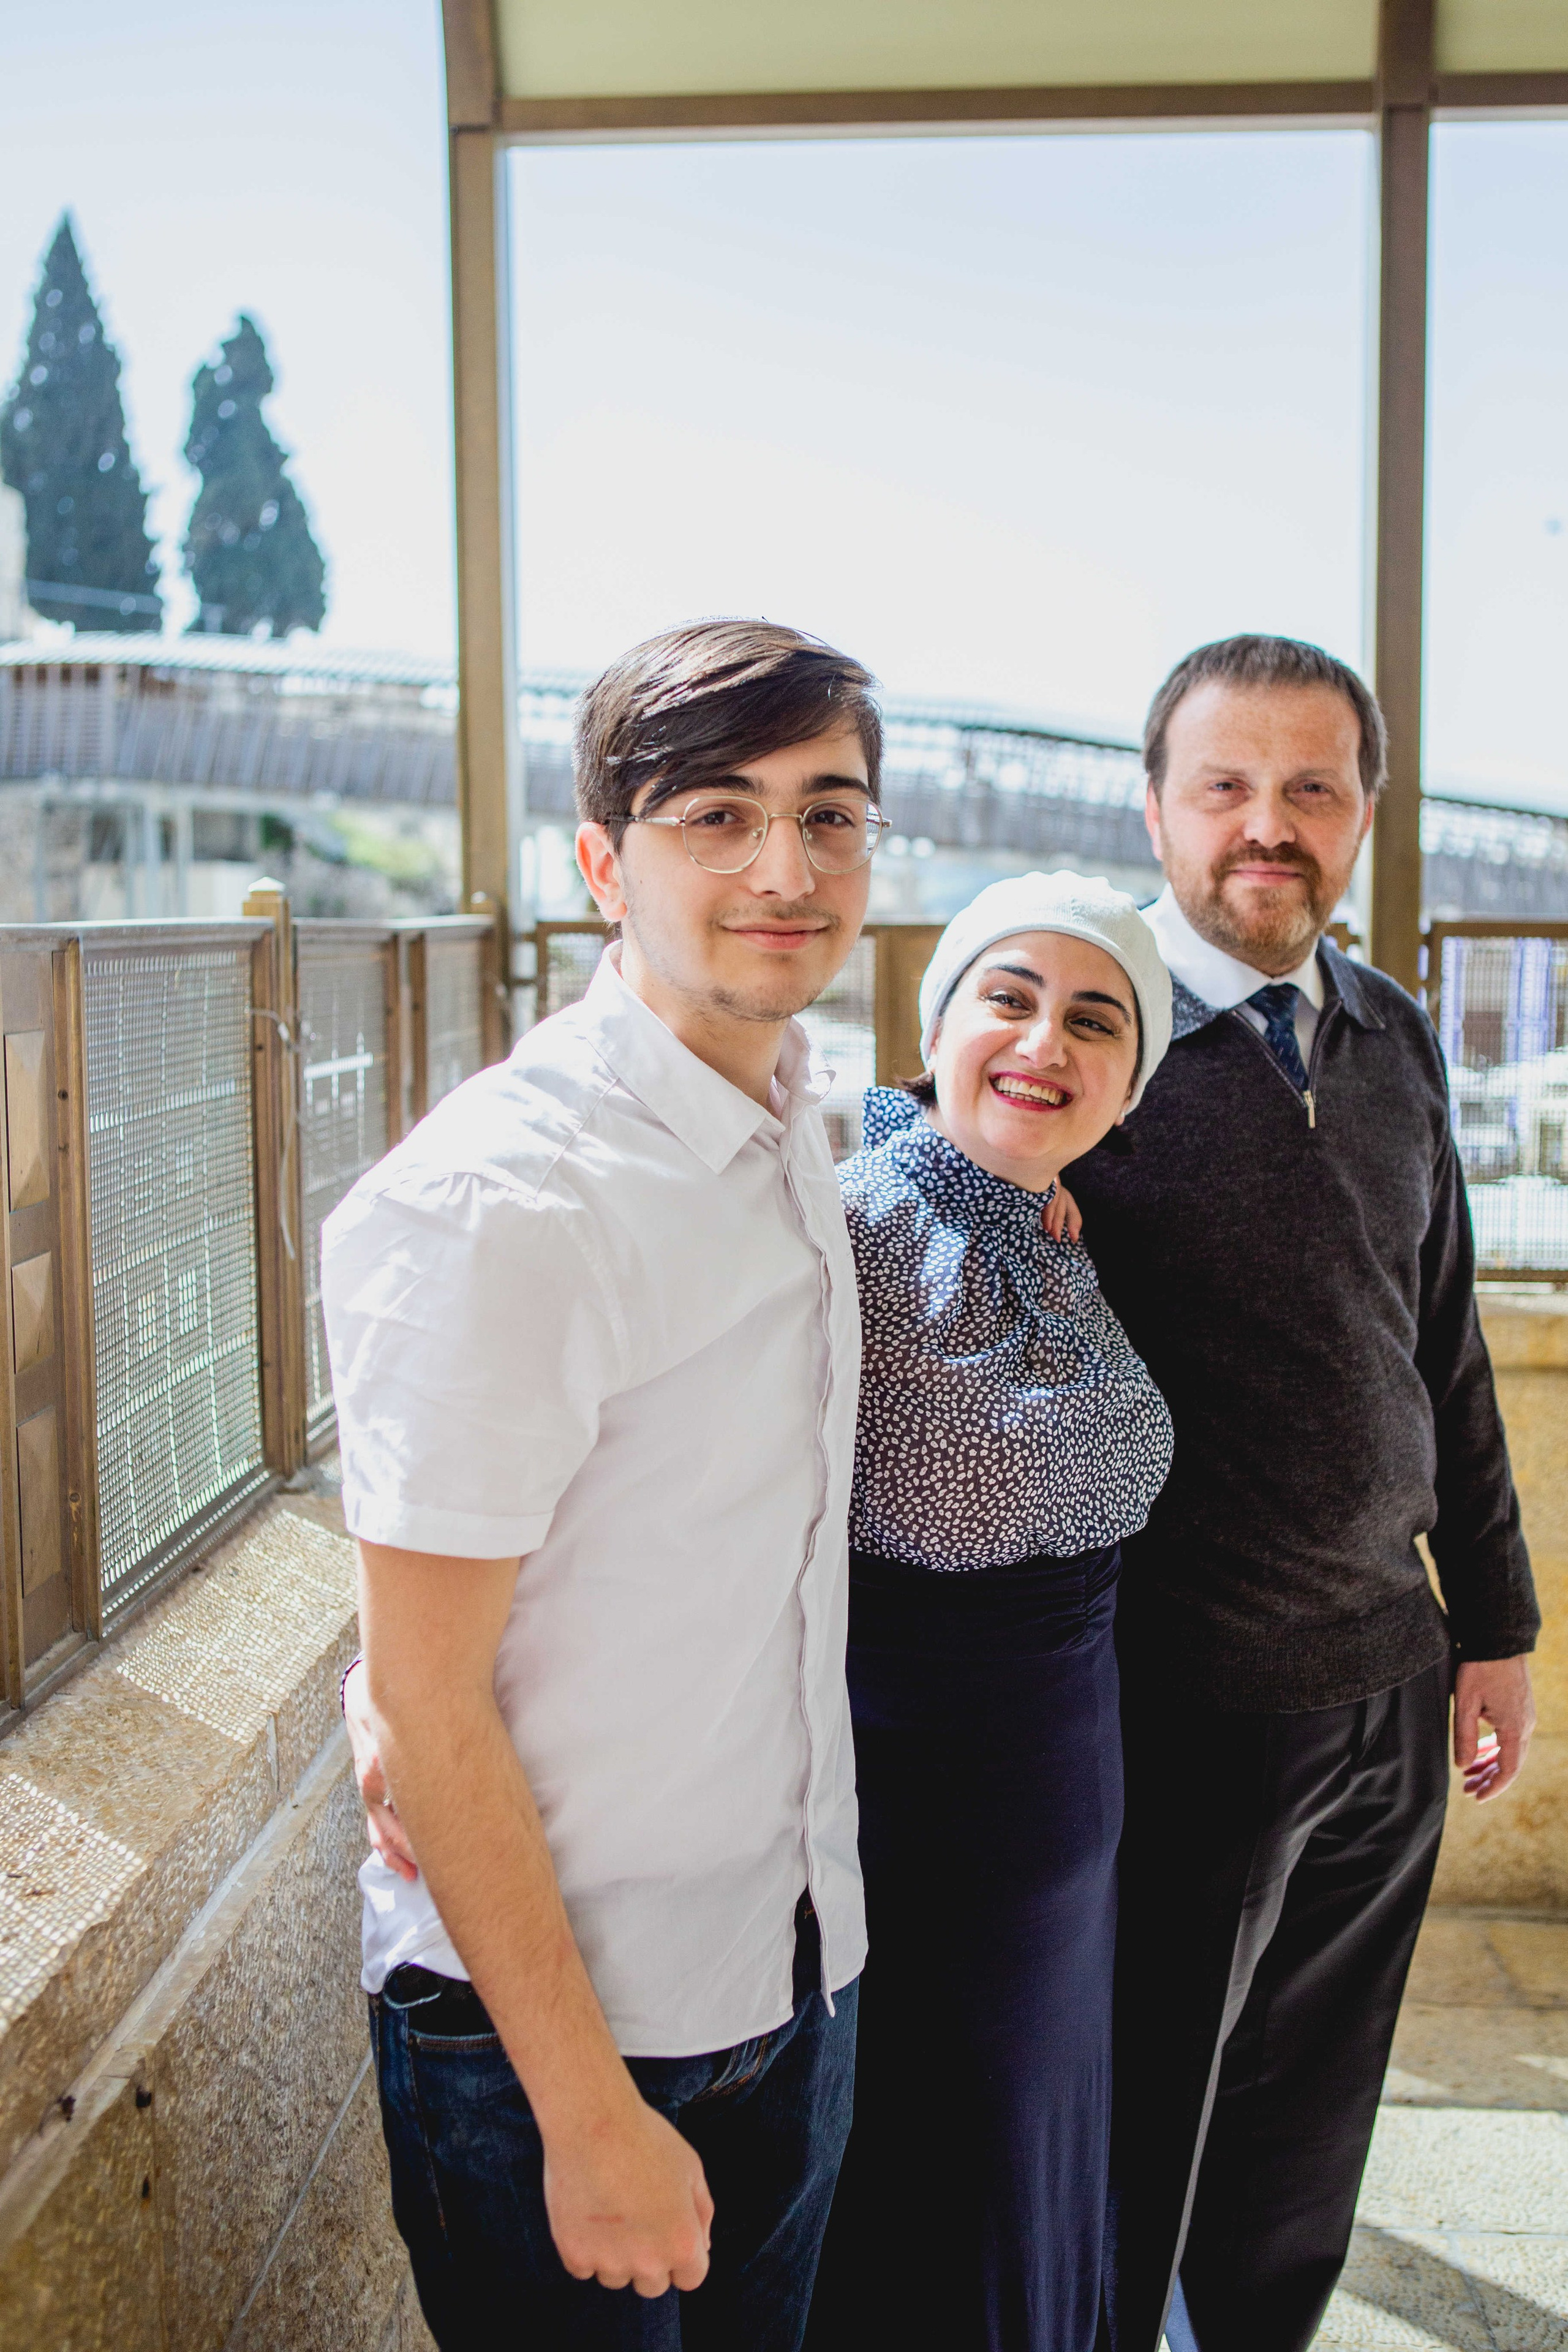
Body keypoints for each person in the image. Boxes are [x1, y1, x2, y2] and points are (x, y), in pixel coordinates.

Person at [323, 619, 891, 2351]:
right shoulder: (508, 1202)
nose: (784, 868)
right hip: (561, 2046)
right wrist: (584, 2117)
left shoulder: (802, 1120)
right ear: (600, 864)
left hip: (796, 1971)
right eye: (716, 816)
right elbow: (426, 1695)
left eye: (830, 814)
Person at [1063, 635, 1541, 2352]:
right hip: (1173, 1701)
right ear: (1158, 808)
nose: (1269, 827)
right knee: (1138, 2133)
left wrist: (1494, 1624)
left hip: (1385, 1691)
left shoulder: (1393, 1035)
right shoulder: (1083, 1036)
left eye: (1312, 790)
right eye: (1228, 787)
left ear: (1363, 815)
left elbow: (1447, 1351)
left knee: (1304, 2141)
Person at [805, 872, 1175, 2352]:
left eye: (1094, 1021)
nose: (1044, 1042)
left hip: (1066, 1803)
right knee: (930, 2194)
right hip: (920, 1819)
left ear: (1129, 1080)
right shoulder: (846, 1233)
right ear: (935, 1024)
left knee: (1038, 2167)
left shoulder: (1048, 1220)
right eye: (1006, 999)